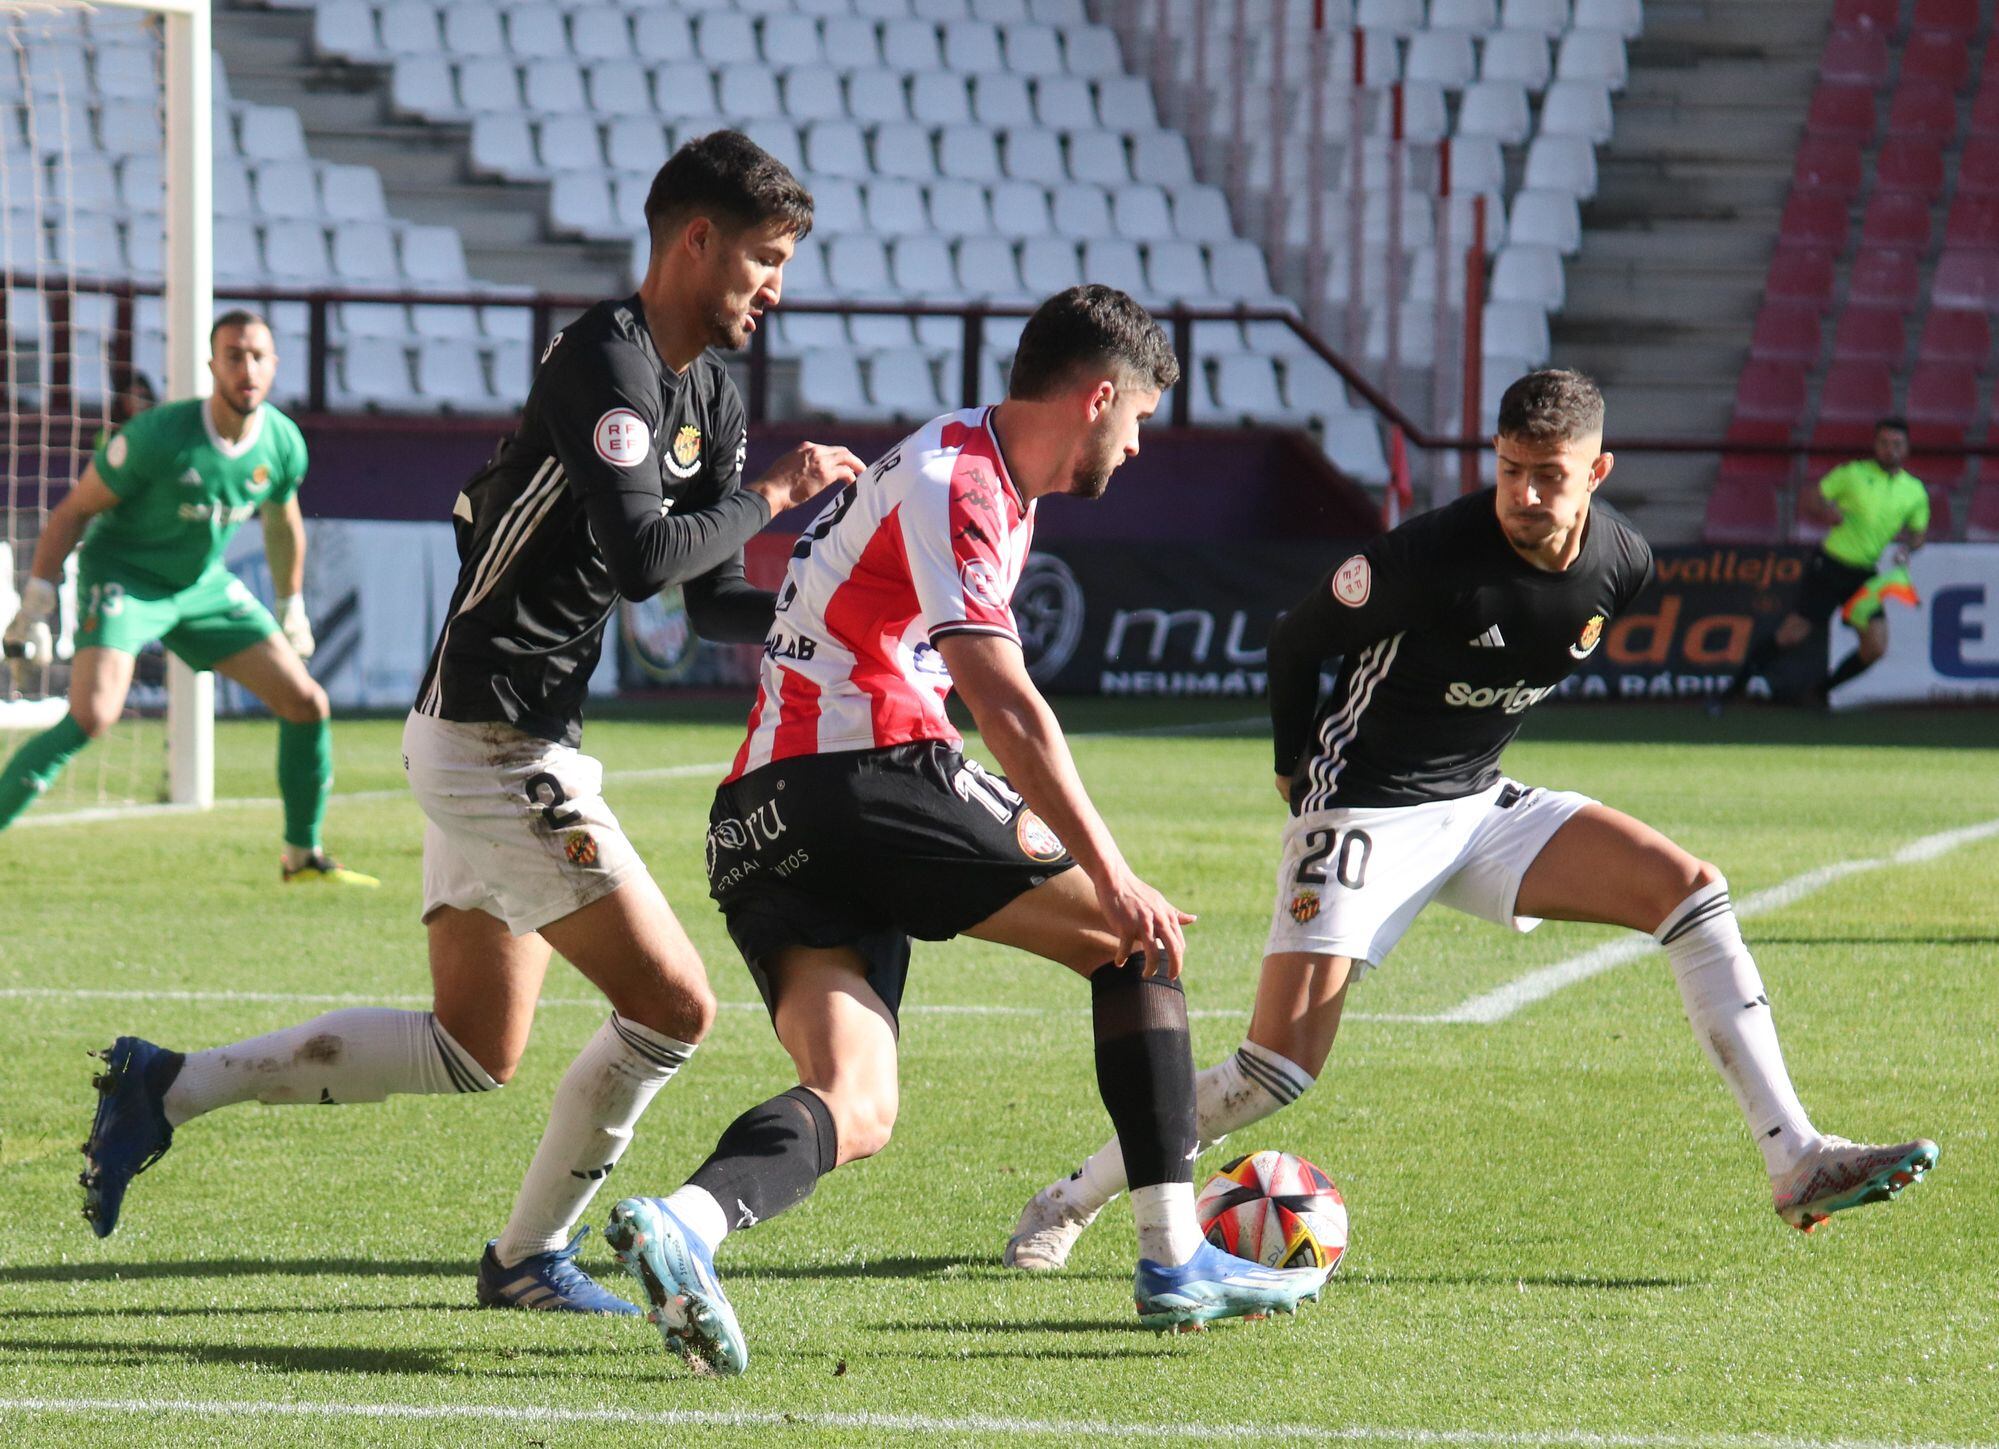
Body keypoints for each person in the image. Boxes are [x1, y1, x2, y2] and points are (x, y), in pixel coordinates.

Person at [74, 133, 861, 1319]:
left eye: (784, 263)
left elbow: (706, 607)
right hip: (496, 737)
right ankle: (528, 1259)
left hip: (503, 733)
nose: (775, 287)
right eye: (763, 257)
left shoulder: (711, 399)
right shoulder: (606, 357)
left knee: (472, 1047)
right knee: (674, 1008)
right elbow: (646, 559)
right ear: (694, 241)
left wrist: (835, 615)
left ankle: (167, 1087)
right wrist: (785, 496)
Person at [1004, 370, 1937, 1272]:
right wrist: (1295, 767)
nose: (1526, 494)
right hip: (1362, 807)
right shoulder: (1429, 556)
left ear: (1596, 472)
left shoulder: (1623, 564)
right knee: (1274, 1071)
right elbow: (1296, 639)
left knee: (1690, 891)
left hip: (1477, 803)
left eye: (1551, 474)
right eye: (1510, 470)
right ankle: (1066, 1200)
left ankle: (1796, 1159)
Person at [599, 285, 1331, 1377]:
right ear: (1095, 398)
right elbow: (1005, 701)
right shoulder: (963, 479)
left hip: (758, 823)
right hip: (865, 775)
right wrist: (1110, 868)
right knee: (1131, 938)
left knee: (857, 1102)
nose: (1133, 449)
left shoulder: (944, 470)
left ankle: (685, 1225)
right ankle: (1174, 1257)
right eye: (1134, 423)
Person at [0, 310, 374, 885]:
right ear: (211, 365)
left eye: (257, 356)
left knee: (307, 703)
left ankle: (301, 858)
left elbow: (282, 522)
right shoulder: (157, 436)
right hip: (124, 575)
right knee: (93, 715)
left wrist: (290, 604)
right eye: (233, 355)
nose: (246, 368)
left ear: (274, 365)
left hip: (201, 584)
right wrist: (39, 600)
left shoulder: (281, 442)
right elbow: (74, 510)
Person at [1717, 417, 1929, 707]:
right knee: (1792, 634)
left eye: (1896, 444)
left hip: (1864, 573)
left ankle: (1820, 690)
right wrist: (1825, 512)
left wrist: (1908, 548)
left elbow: (1919, 533)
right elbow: (1812, 498)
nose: (1889, 449)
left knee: (1875, 647)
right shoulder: (1853, 473)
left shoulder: (1914, 491)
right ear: (1875, 445)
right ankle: (1733, 690)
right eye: (1884, 443)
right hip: (1830, 564)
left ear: (1906, 449)